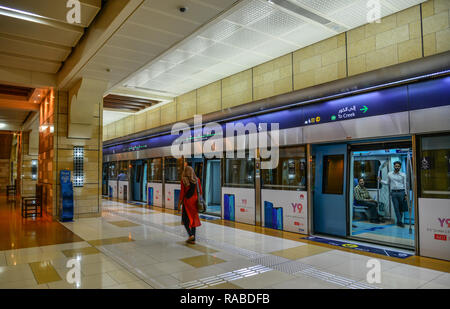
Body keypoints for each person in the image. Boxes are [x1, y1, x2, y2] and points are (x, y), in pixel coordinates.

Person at [177, 161, 202, 244]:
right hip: (195, 201)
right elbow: (200, 192)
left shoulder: (183, 180)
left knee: (185, 219)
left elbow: (182, 193)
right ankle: (193, 239)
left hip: (187, 202)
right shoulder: (197, 180)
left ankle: (191, 235)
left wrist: (179, 204)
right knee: (194, 219)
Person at [378, 161, 407, 227]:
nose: (397, 167)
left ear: (400, 167)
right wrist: (380, 180)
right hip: (393, 193)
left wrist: (406, 194)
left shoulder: (403, 174)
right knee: (396, 208)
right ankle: (399, 222)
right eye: (396, 166)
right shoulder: (390, 174)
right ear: (394, 166)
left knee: (401, 208)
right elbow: (387, 182)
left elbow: (405, 184)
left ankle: (399, 221)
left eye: (398, 166)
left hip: (401, 192)